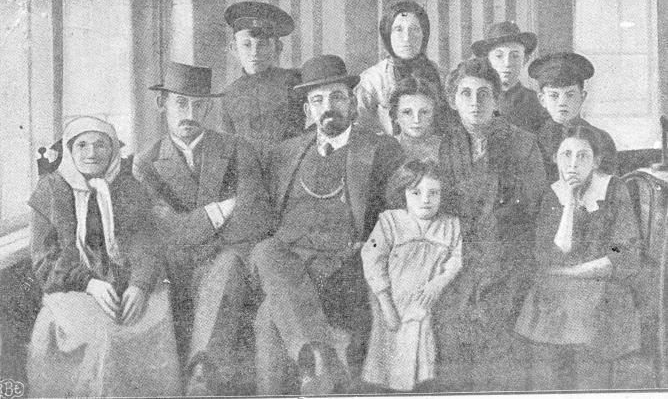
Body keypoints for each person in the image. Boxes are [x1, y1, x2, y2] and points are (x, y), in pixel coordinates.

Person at [250, 54, 404, 396]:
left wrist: (371, 249)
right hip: (291, 265)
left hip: (346, 268)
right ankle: (320, 359)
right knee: (265, 249)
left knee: (267, 318)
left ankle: (316, 365)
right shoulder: (285, 153)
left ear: (351, 102)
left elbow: (398, 217)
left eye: (336, 97)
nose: (327, 107)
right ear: (308, 109)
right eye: (317, 100)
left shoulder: (381, 149)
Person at [133, 61, 273, 395]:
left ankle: (202, 377)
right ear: (163, 104)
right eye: (181, 102)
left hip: (231, 264)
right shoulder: (145, 162)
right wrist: (220, 210)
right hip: (177, 270)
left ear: (208, 107)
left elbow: (255, 217)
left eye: (198, 104)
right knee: (218, 265)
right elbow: (165, 229)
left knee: (225, 267)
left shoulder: (238, 149)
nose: (189, 112)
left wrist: (202, 232)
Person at [27, 116, 180, 397]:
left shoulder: (128, 187)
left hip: (124, 283)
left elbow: (145, 242)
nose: (91, 153)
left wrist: (140, 285)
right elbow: (43, 260)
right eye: (82, 145)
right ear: (70, 152)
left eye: (100, 145)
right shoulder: (50, 189)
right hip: (71, 287)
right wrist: (89, 283)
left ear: (112, 151)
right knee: (104, 331)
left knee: (156, 312)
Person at [436, 57, 546, 391]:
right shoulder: (443, 146)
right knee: (448, 329)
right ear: (454, 101)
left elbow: (536, 213)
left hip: (507, 261)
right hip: (456, 260)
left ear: (497, 100)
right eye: (465, 93)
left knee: (495, 331)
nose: (474, 102)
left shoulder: (523, 143)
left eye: (484, 93)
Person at [515, 125, 640, 390]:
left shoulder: (614, 189)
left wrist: (572, 272)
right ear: (555, 159)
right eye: (566, 155)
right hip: (558, 290)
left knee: (588, 340)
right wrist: (570, 202)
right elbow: (555, 251)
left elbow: (623, 250)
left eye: (582, 156)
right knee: (542, 353)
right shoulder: (553, 194)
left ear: (596, 161)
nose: (573, 164)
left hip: (603, 286)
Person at [361, 159, 462, 392]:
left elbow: (456, 259)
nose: (425, 200)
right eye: (416, 193)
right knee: (390, 356)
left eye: (434, 193)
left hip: (427, 300)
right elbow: (372, 258)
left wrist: (439, 283)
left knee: (422, 360)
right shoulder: (390, 221)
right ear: (403, 194)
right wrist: (385, 304)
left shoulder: (450, 225)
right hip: (392, 299)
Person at [217, 1, 304, 161]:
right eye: (246, 44)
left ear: (277, 48)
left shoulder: (295, 83)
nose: (254, 52)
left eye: (262, 44)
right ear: (233, 49)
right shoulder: (229, 95)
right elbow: (228, 150)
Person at [355, 1, 445, 136]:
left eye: (414, 29)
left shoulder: (439, 74)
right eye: (398, 29)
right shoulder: (371, 80)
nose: (407, 38)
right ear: (387, 35)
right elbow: (359, 129)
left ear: (424, 34)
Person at [529, 52, 618, 182]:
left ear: (582, 97)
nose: (562, 103)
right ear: (542, 99)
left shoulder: (602, 140)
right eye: (554, 95)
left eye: (570, 95)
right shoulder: (532, 140)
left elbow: (607, 188)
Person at [471, 21, 548, 135]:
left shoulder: (537, 103)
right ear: (487, 59)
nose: (507, 63)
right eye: (499, 56)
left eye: (515, 56)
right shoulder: (475, 100)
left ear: (525, 60)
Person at [389, 75, 443, 161]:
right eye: (407, 112)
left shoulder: (446, 148)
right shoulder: (387, 149)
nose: (416, 120)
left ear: (434, 113)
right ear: (395, 115)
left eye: (424, 112)